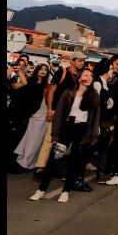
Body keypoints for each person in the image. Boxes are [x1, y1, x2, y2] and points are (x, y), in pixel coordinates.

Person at [29, 68, 100, 203]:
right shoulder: (68, 93)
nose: (89, 77)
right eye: (86, 75)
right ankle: (41, 189)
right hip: (67, 128)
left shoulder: (94, 96)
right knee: (54, 159)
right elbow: (59, 114)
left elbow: (96, 117)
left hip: (82, 130)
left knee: (74, 162)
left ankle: (66, 191)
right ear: (79, 78)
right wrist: (55, 135)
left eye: (91, 75)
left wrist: (93, 136)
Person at [35, 52, 85, 180]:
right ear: (72, 61)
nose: (82, 63)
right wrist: (50, 109)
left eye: (83, 61)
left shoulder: (80, 76)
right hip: (57, 111)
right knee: (49, 138)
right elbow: (51, 91)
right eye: (79, 60)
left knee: (61, 142)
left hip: (70, 114)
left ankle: (53, 167)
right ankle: (40, 168)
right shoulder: (62, 72)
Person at [14, 63, 51, 170]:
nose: (43, 71)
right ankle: (24, 161)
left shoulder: (46, 83)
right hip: (34, 114)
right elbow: (25, 96)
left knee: (38, 139)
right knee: (31, 138)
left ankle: (30, 161)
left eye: (45, 69)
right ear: (37, 70)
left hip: (43, 113)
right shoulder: (31, 80)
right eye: (41, 69)